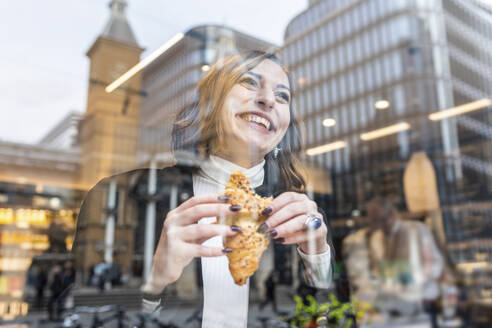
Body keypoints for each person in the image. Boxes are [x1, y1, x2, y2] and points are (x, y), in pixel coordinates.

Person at [76, 51, 333, 328]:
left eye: (283, 96)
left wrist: (318, 261)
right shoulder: (124, 191)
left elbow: (331, 317)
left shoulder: (302, 214)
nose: (269, 99)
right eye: (248, 82)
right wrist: (156, 284)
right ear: (213, 100)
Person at [343, 197, 444, 325]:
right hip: (389, 311)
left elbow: (436, 264)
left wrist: (419, 278)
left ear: (392, 213)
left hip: (419, 308)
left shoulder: (417, 230)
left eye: (382, 220)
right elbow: (377, 271)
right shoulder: (376, 239)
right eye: (375, 221)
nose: (380, 225)